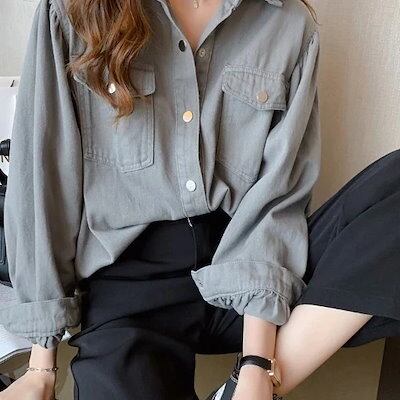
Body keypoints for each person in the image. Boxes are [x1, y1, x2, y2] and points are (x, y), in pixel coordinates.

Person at [0, 0, 399, 399]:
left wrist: (257, 363)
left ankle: (251, 388)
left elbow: (275, 200)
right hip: (130, 288)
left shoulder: (287, 24)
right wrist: (41, 367)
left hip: (248, 265)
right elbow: (45, 181)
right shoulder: (71, 12)